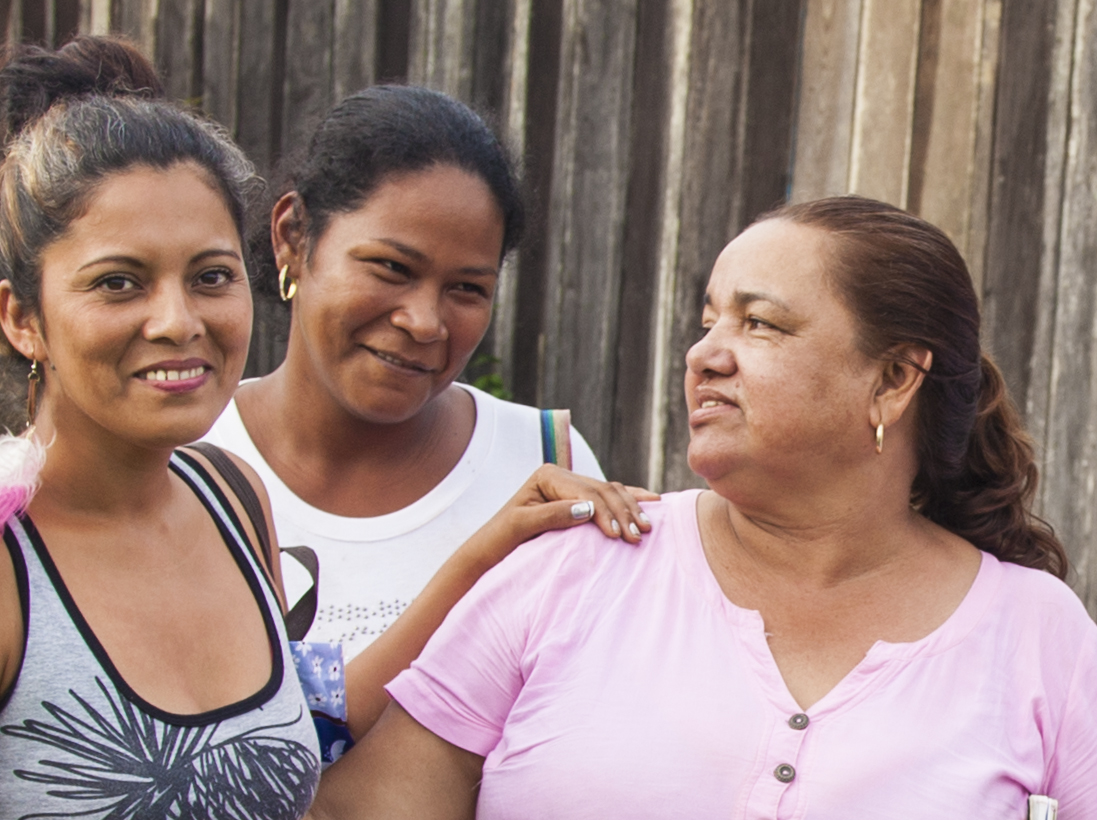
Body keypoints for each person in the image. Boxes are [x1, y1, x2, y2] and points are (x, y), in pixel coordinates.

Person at [0, 38, 651, 818]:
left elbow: (314, 724)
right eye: (118, 283)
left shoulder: (229, 497)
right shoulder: (16, 558)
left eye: (209, 277)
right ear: (22, 318)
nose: (177, 322)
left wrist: (487, 550)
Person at [309, 197, 1097, 819]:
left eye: (759, 323)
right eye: (707, 320)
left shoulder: (1041, 637)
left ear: (892, 379)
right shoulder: (577, 565)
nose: (703, 354)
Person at [202, 86, 610, 682]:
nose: (424, 321)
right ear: (293, 235)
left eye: (467, 289)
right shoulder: (181, 460)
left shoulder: (547, 469)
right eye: (392, 268)